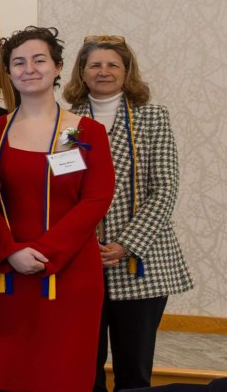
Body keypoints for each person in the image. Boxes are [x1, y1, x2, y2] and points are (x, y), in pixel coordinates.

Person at [0, 27, 114, 392]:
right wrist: (11, 251)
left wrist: (46, 252)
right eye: (18, 62)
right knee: (0, 373)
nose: (29, 68)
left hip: (71, 276)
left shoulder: (89, 132)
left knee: (62, 375)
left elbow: (96, 199)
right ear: (8, 72)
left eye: (39, 60)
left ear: (58, 68)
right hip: (6, 274)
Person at [65, 36, 193, 392]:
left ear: (127, 72)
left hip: (141, 263)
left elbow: (165, 189)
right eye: (94, 65)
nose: (103, 71)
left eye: (112, 65)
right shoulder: (68, 123)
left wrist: (124, 244)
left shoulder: (152, 117)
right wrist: (80, 243)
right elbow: (62, 188)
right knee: (84, 364)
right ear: (82, 72)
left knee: (134, 371)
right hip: (84, 260)